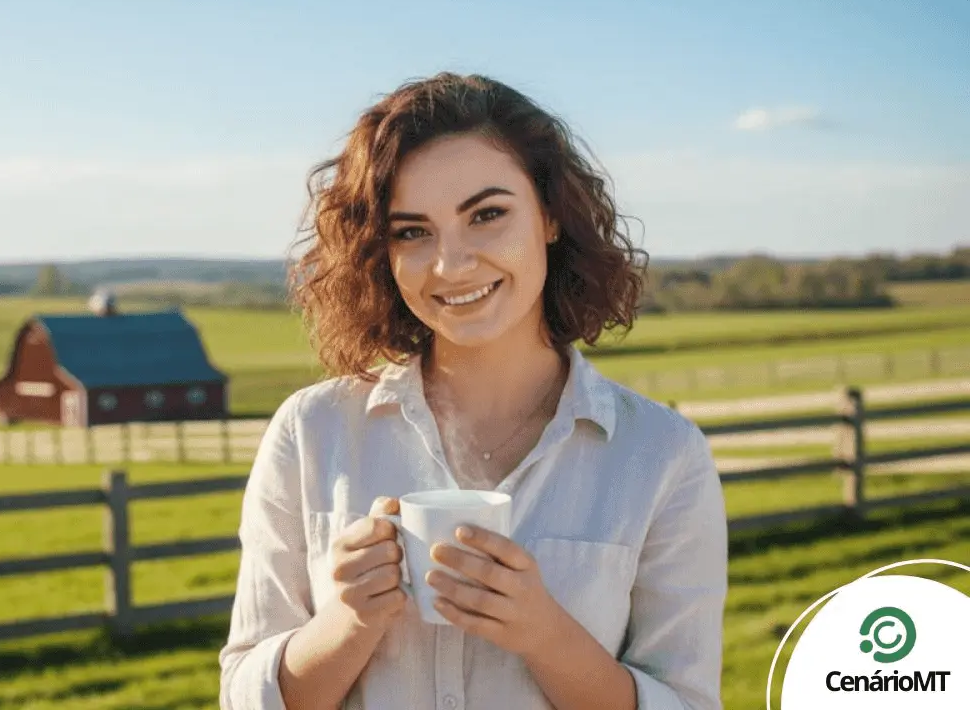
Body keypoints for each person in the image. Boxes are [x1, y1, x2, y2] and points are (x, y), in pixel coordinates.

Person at [218, 72, 728, 710]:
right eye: (412, 231)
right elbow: (243, 697)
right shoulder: (311, 432)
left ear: (548, 216)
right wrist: (344, 624)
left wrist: (547, 636)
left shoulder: (661, 456)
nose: (451, 265)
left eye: (487, 215)